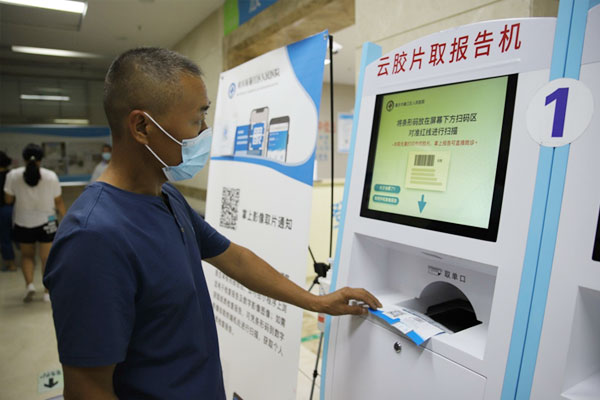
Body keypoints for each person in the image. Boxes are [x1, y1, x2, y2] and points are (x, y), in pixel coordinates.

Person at [43, 47, 381, 399]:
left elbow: (235, 258)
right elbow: (87, 389)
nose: (205, 132)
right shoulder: (93, 238)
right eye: (197, 120)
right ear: (142, 127)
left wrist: (316, 302)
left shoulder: (167, 197)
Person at [5, 144, 66, 302]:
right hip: (47, 222)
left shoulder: (13, 175)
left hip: (23, 222)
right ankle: (47, 292)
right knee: (47, 258)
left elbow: (8, 199)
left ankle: (30, 285)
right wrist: (66, 218)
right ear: (41, 159)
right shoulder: (50, 176)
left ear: (24, 158)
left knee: (27, 256)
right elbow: (58, 201)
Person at [0, 151, 16, 272]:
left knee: (4, 238)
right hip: (15, 209)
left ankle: (10, 263)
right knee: (17, 235)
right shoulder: (12, 175)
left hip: (2, 209)